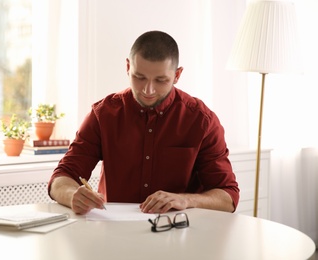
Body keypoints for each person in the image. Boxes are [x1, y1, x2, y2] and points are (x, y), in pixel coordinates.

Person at [48, 30, 239, 215]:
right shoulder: (103, 115)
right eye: (139, 77)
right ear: (128, 67)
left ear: (177, 75)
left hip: (179, 232)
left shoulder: (201, 121)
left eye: (161, 80)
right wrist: (73, 194)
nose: (148, 90)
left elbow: (228, 197)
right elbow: (61, 177)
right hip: (114, 231)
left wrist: (186, 200)